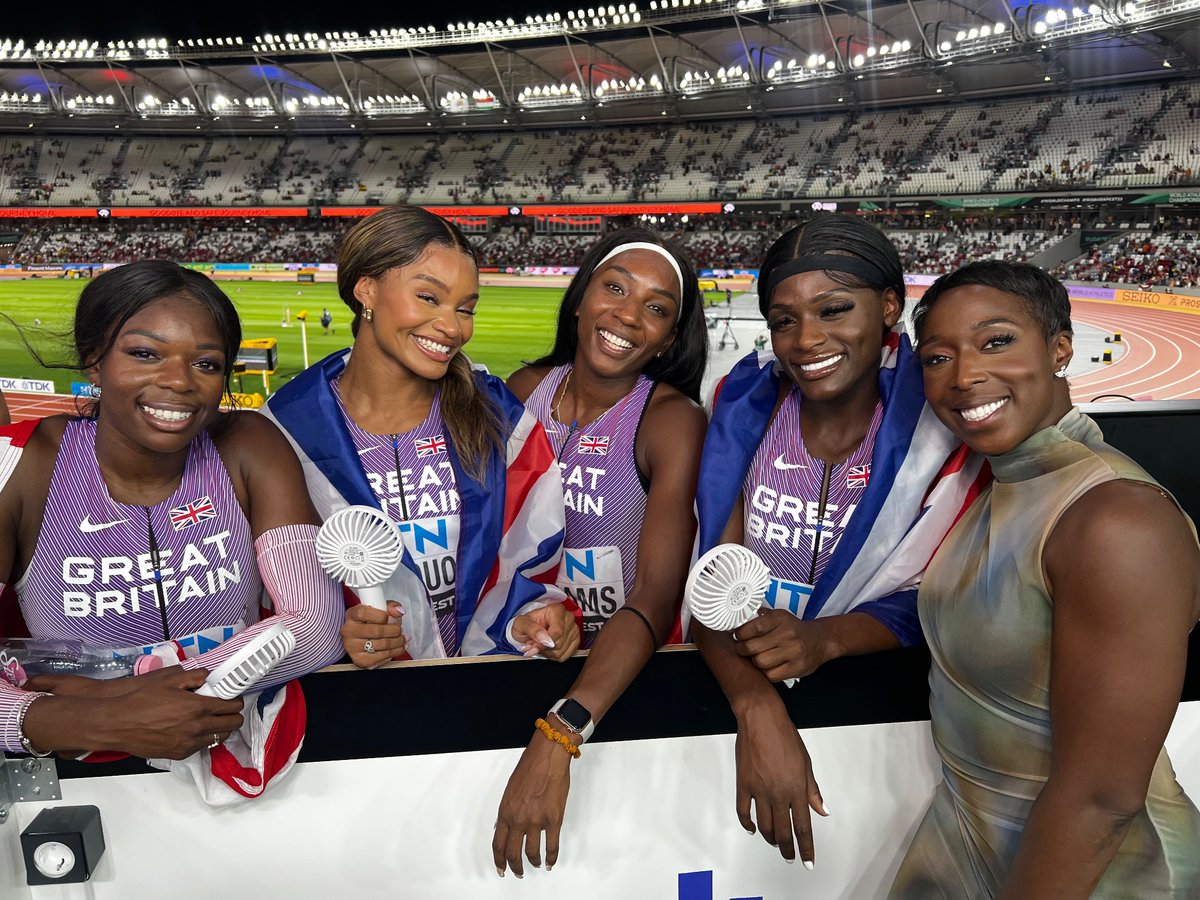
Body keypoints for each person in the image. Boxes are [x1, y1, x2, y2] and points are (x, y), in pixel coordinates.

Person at [892, 261, 1200, 897]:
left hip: (1103, 877)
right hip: (983, 850)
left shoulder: (1116, 518)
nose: (964, 375)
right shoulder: (1006, 487)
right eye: (937, 357)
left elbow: (1101, 800)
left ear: (1061, 348)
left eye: (996, 341)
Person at [692, 216, 987, 866]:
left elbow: (943, 597)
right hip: (735, 688)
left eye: (834, 310)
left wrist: (824, 640)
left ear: (888, 307)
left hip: (882, 719)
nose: (807, 340)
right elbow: (708, 581)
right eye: (784, 319)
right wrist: (756, 708)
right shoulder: (746, 410)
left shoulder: (940, 439)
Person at [0, 261, 344, 761]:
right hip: (85, 772)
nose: (179, 381)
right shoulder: (23, 467)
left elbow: (316, 623)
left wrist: (141, 693)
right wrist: (93, 720)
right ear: (94, 361)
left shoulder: (247, 444)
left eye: (206, 363)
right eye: (145, 353)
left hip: (247, 746)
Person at [264, 205, 577, 664]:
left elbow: (528, 559)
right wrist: (339, 640)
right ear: (366, 289)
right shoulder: (285, 429)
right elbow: (277, 598)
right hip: (354, 713)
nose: (453, 328)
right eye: (429, 298)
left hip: (481, 704)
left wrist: (525, 619)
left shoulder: (499, 417)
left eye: (465, 309)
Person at [493, 227, 708, 876]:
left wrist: (563, 730)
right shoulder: (519, 390)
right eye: (614, 288)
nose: (627, 315)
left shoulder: (671, 421)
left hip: (615, 686)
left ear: (669, 338)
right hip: (511, 663)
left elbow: (655, 596)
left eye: (656, 307)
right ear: (582, 299)